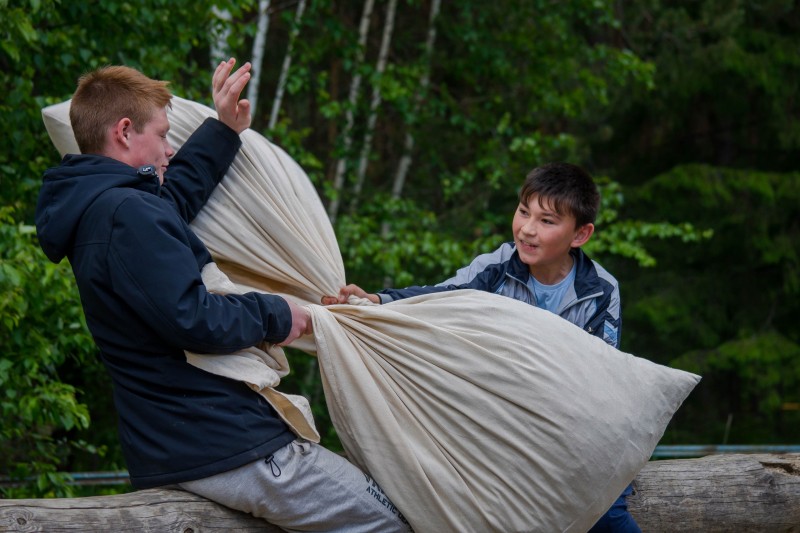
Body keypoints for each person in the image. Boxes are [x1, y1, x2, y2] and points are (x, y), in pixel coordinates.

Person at [35, 59, 410, 533]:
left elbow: (173, 204)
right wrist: (281, 313)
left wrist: (224, 129)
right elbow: (194, 318)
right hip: (224, 445)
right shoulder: (127, 214)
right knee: (391, 521)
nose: (169, 149)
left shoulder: (103, 209)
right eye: (163, 134)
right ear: (125, 132)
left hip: (174, 443)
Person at [323, 162, 639, 532]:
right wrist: (377, 301)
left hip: (571, 428)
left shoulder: (601, 288)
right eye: (523, 212)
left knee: (606, 511)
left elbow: (604, 373)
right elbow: (438, 298)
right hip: (503, 423)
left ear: (580, 234)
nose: (528, 229)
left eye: (548, 221)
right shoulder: (497, 266)